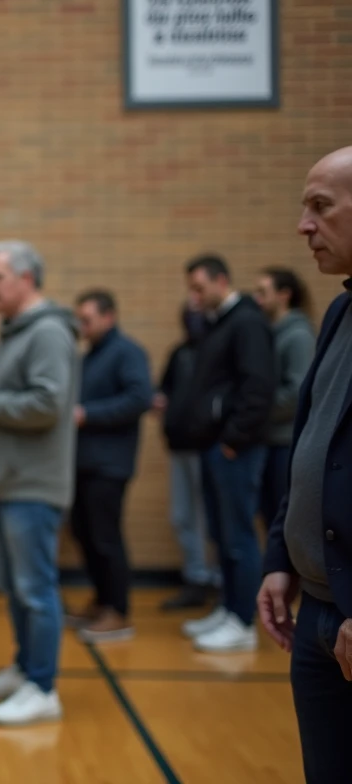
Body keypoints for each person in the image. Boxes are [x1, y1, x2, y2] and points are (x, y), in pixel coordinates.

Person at [0, 240, 78, 727]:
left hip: (32, 485)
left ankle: (43, 687)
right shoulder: (18, 331)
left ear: (26, 279)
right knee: (16, 587)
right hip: (8, 484)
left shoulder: (48, 332)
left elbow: (48, 403)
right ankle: (26, 669)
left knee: (35, 587)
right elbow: (25, 395)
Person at [259, 146, 352, 784]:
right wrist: (280, 558)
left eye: (321, 207)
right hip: (318, 609)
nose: (303, 226)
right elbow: (312, 445)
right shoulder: (341, 311)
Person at [167, 255, 274, 653]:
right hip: (213, 445)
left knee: (238, 535)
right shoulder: (219, 325)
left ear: (221, 281)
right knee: (221, 533)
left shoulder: (246, 323)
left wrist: (234, 438)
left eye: (199, 288)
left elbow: (258, 388)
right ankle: (228, 608)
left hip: (234, 448)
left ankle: (243, 621)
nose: (193, 297)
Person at [68, 290, 153, 643]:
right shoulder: (92, 356)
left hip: (109, 464)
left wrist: (87, 414)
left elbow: (139, 398)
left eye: (87, 320)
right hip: (85, 463)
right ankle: (102, 600)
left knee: (105, 537)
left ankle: (118, 611)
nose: (81, 327)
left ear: (109, 317)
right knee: (85, 534)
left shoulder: (127, 352)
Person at [157, 302, 222, 611]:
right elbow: (164, 390)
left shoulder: (217, 350)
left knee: (212, 518)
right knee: (183, 516)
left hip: (209, 447)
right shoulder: (179, 353)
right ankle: (196, 579)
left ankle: (220, 582)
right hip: (179, 447)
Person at [253, 267, 315, 533]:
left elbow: (297, 393)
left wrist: (255, 408)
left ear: (284, 295)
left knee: (284, 521)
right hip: (268, 439)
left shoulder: (298, 335)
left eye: (263, 292)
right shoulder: (270, 333)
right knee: (269, 518)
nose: (257, 298)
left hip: (285, 443)